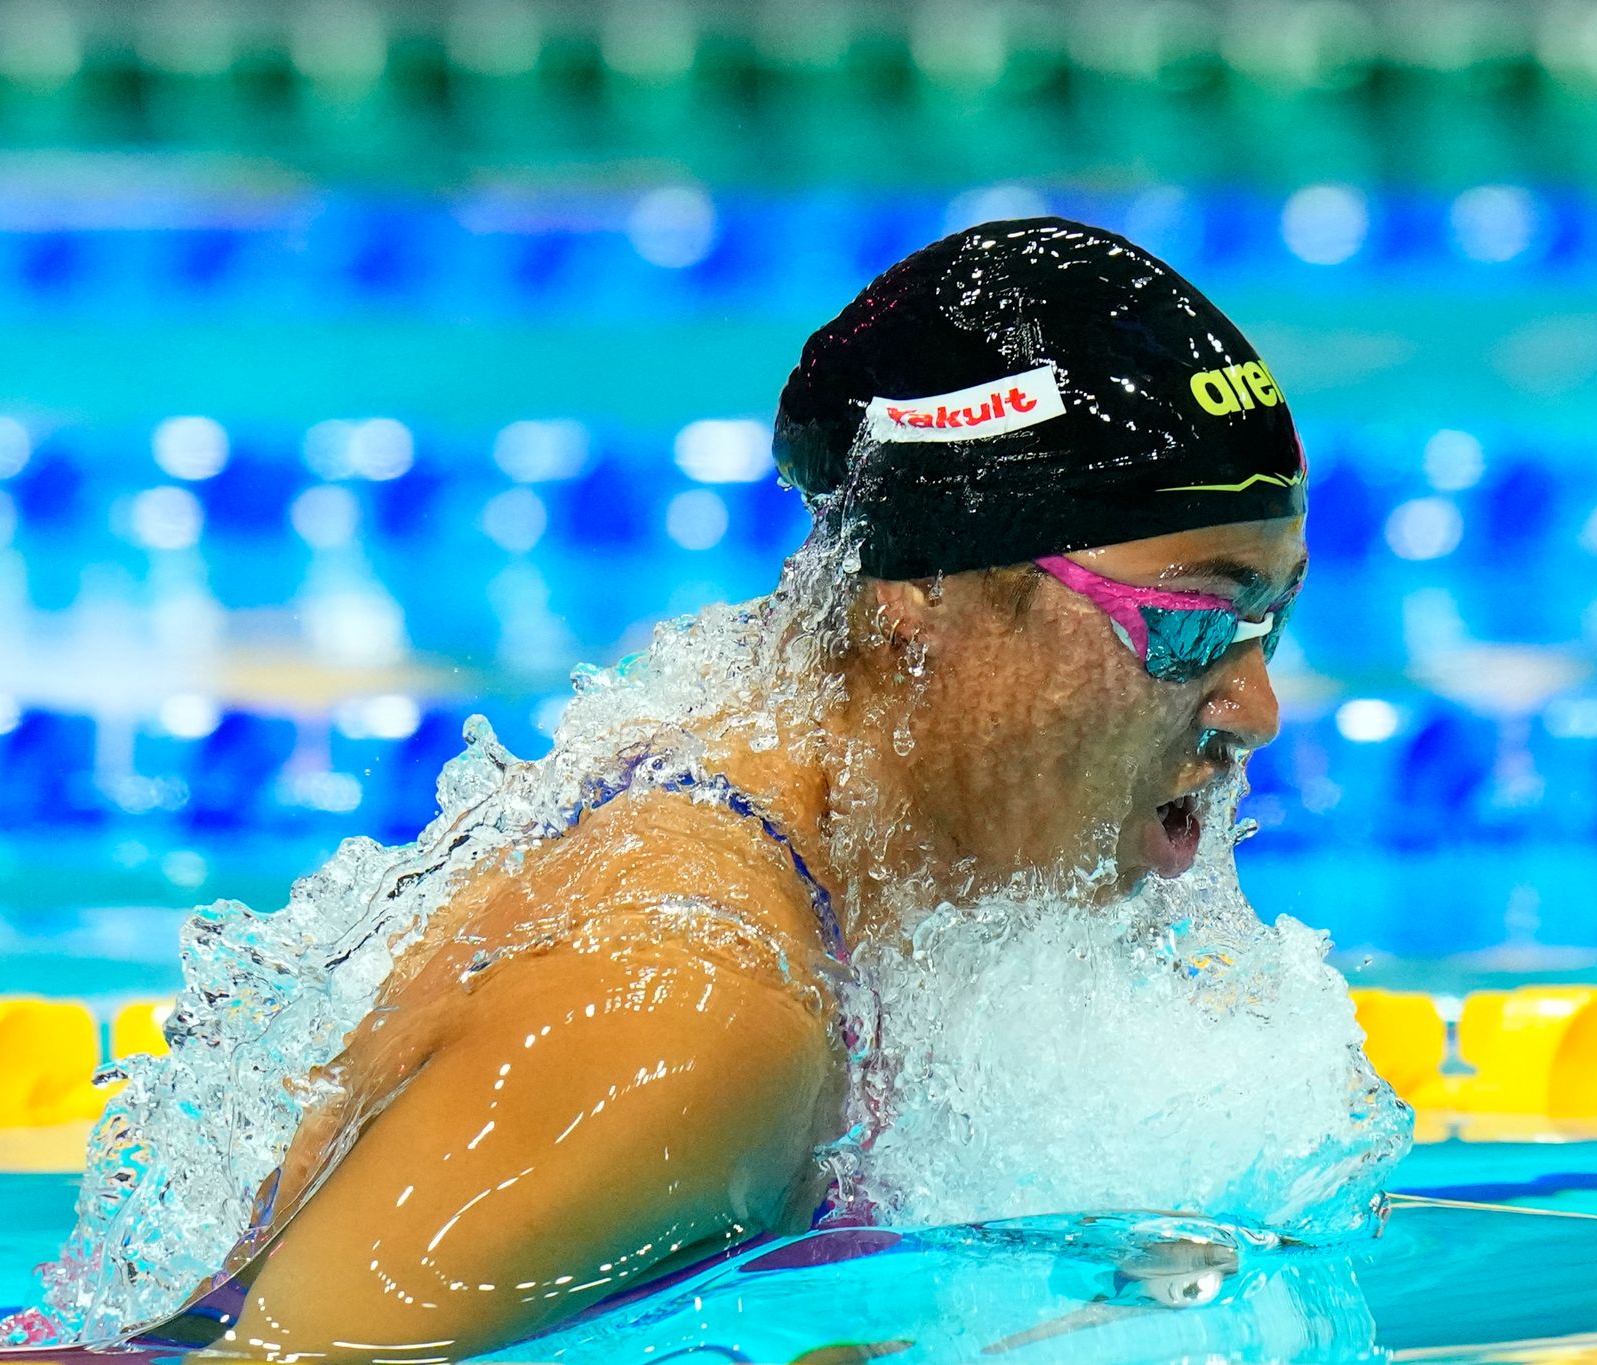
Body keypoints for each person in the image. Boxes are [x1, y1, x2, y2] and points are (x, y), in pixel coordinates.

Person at [99, 217, 1310, 1361]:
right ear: (923, 585)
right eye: (1191, 627)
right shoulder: (686, 1014)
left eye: (1273, 618)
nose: (1253, 708)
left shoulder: (849, 878)